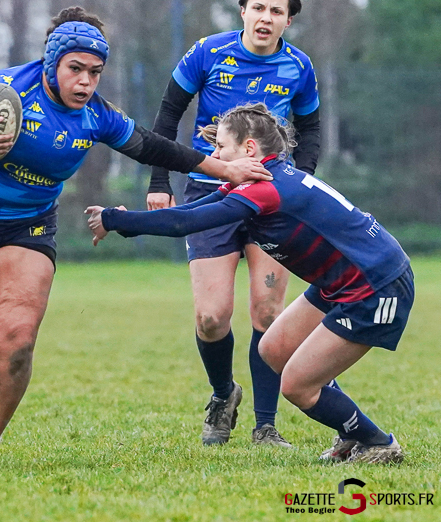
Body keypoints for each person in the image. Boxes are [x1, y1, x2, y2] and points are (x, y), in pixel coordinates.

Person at [0, 6, 272, 472]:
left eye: (95, 72)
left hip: (27, 225)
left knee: (19, 339)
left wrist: (224, 168)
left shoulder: (97, 116)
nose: (85, 82)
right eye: (75, 70)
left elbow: (153, 146)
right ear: (52, 65)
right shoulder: (10, 88)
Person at [87, 103, 412, 464]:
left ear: (249, 150)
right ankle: (352, 434)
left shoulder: (266, 190)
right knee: (273, 349)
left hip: (375, 284)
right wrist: (122, 221)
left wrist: (114, 218)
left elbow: (183, 226)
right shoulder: (262, 180)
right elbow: (186, 214)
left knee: (298, 387)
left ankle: (378, 442)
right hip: (343, 280)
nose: (214, 156)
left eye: (221, 148)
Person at [145, 0, 321, 447]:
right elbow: (167, 115)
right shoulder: (208, 52)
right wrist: (159, 180)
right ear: (243, 11)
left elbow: (311, 130)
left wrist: (300, 185)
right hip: (209, 192)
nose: (266, 18)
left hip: (270, 202)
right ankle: (223, 395)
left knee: (267, 311)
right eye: (258, 8)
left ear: (287, 21)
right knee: (211, 317)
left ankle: (266, 425)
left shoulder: (299, 66)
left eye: (277, 11)